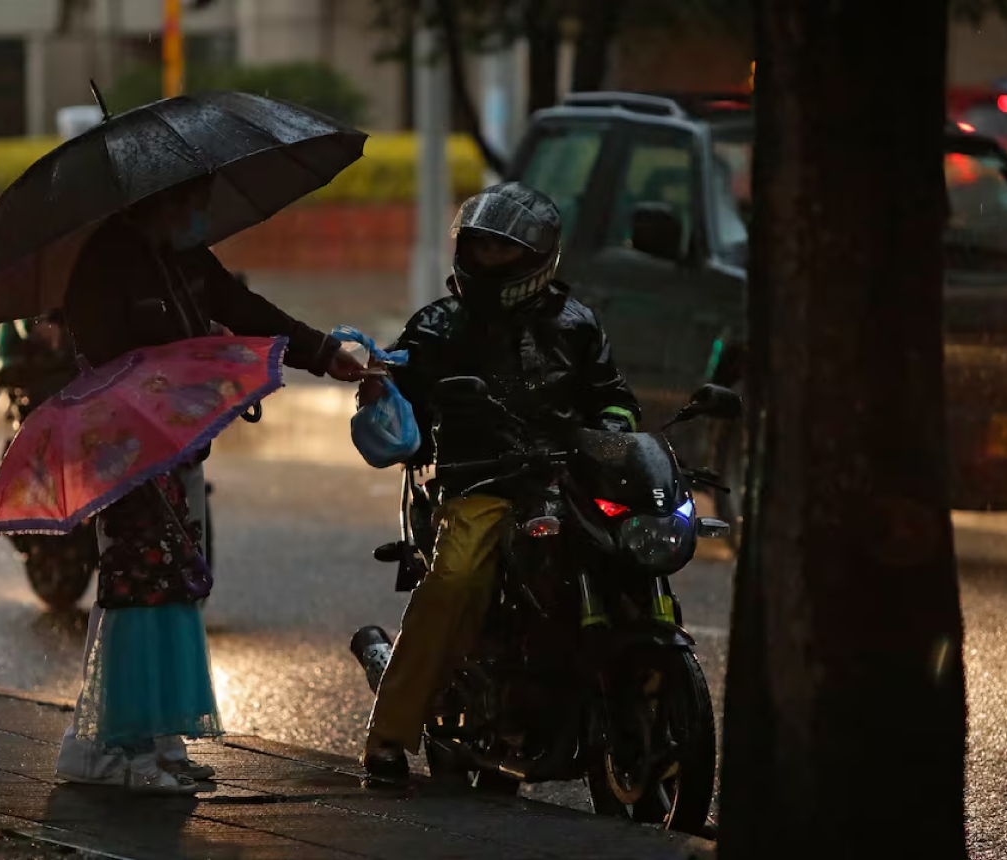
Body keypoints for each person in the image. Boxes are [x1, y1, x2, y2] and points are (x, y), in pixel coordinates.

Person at [54, 177, 366, 793]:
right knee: (137, 589)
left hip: (182, 448)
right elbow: (110, 363)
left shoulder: (182, 256)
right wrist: (194, 357)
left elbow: (243, 307)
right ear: (157, 201)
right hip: (128, 453)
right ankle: (111, 746)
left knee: (173, 586)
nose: (200, 214)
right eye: (190, 202)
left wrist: (323, 351)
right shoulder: (102, 265)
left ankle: (160, 737)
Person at [354, 182, 640, 780]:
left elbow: (611, 395)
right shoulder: (436, 325)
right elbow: (398, 406)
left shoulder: (577, 323)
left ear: (538, 257)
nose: (486, 258)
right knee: (454, 578)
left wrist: (617, 428)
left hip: (569, 481)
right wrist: (381, 389)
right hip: (479, 483)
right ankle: (388, 734)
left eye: (501, 250)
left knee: (632, 550)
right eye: (479, 246)